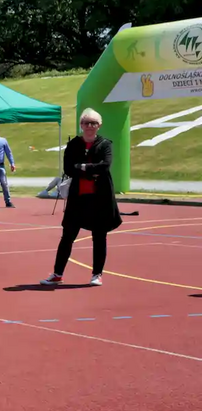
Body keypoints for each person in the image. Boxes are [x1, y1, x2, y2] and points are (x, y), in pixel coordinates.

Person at [41, 109, 121, 287]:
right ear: (81, 125)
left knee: (99, 236)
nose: (89, 126)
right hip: (78, 198)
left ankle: (97, 274)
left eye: (93, 123)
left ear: (99, 125)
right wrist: (90, 170)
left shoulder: (105, 144)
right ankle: (57, 274)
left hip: (100, 198)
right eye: (86, 123)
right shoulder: (73, 145)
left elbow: (105, 166)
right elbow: (69, 168)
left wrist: (82, 167)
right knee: (67, 236)